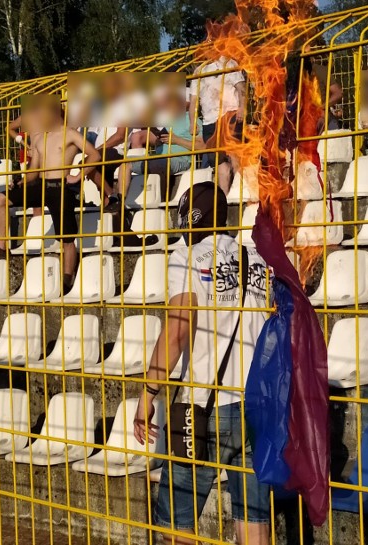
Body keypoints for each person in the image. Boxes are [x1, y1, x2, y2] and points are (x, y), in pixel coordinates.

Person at [133, 182, 271, 545]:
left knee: (177, 523)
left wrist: (147, 394)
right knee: (253, 516)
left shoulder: (186, 258)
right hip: (257, 403)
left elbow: (177, 332)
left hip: (203, 406)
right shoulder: (256, 259)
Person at [0, 96, 100, 292]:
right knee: (0, 199)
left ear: (56, 113)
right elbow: (34, 170)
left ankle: (67, 279)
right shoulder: (41, 138)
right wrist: (21, 182)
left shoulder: (70, 134)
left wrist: (78, 175)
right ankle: (2, 248)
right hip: (41, 185)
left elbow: (95, 155)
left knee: (66, 239)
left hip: (60, 186)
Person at [113, 92, 198, 212]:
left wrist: (177, 140)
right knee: (125, 164)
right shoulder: (168, 121)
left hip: (180, 159)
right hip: (158, 158)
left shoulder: (194, 121)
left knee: (160, 162)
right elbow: (153, 138)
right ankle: (121, 201)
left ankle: (161, 203)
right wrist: (157, 138)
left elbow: (203, 146)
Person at [190, 56, 247, 194]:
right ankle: (225, 198)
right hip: (209, 121)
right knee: (219, 161)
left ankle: (241, 191)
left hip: (229, 114)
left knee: (233, 153)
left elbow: (241, 88)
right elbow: (193, 101)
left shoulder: (228, 63)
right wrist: (192, 122)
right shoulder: (199, 71)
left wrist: (242, 107)